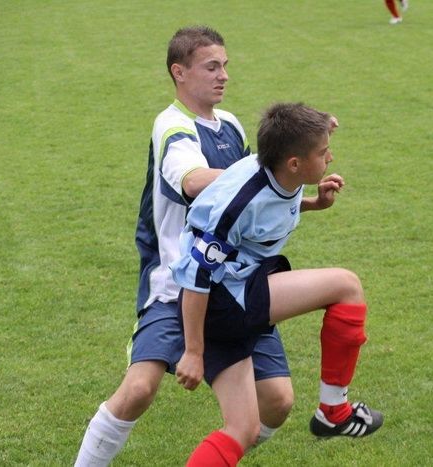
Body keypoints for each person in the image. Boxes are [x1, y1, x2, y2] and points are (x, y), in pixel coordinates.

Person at [75, 26, 296, 466]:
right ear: (179, 72)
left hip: (231, 287)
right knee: (139, 389)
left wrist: (305, 198)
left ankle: (221, 453)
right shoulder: (172, 126)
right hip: (176, 284)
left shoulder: (230, 124)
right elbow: (193, 181)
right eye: (212, 67)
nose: (223, 76)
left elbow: (252, 201)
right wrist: (261, 176)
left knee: (278, 401)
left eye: (225, 66)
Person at [172, 102, 383, 466]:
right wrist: (193, 352)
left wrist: (313, 203)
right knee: (346, 286)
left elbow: (268, 209)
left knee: (253, 420)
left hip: (234, 294)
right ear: (295, 163)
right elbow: (197, 274)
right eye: (323, 151)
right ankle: (334, 411)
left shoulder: (278, 167)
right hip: (222, 303)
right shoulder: (239, 202)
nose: (330, 157)